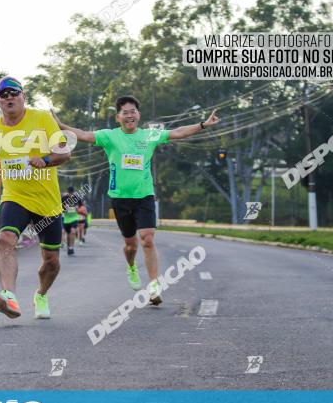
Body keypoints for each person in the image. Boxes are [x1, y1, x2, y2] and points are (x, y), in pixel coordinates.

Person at [54, 96, 218, 305]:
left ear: (138, 115)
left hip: (145, 196)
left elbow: (177, 132)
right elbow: (85, 135)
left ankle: (154, 286)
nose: (130, 115)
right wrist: (61, 126)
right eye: (125, 112)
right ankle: (131, 266)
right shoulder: (109, 137)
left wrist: (203, 124)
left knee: (147, 239)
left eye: (133, 111)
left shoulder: (150, 135)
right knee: (130, 246)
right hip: (120, 199)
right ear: (118, 117)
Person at [0, 77, 72, 319]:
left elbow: (65, 152)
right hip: (15, 197)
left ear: (23, 96)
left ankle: (41, 294)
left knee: (51, 261)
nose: (9, 97)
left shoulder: (42, 119)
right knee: (5, 240)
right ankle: (9, 297)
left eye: (14, 92)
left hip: (47, 201)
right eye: (3, 94)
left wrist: (44, 160)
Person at [61, 186, 81, 256]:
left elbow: (81, 206)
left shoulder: (77, 198)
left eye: (72, 193)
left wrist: (77, 207)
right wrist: (65, 208)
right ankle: (68, 246)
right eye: (70, 193)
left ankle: (71, 247)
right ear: (68, 192)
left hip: (74, 217)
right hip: (66, 218)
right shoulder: (63, 198)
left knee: (73, 232)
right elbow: (60, 208)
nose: (71, 194)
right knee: (68, 234)